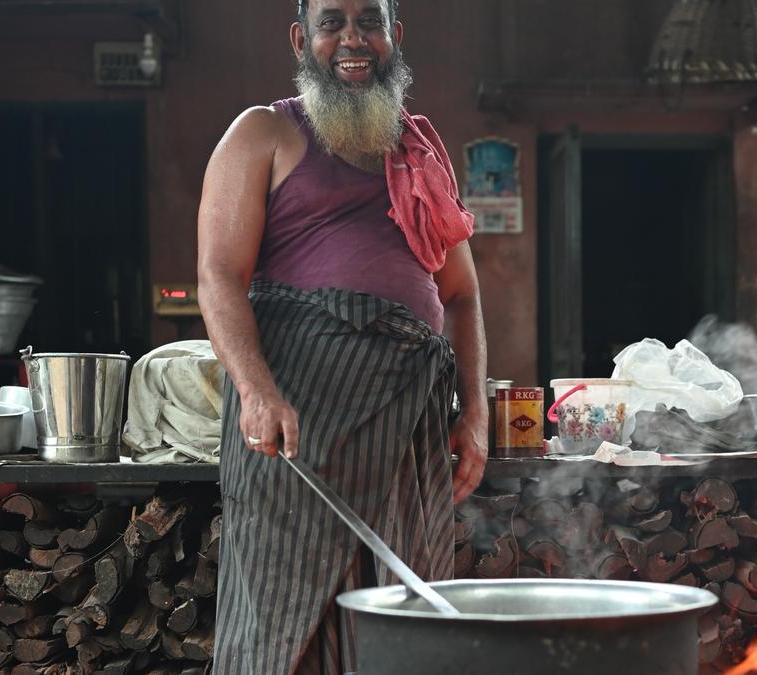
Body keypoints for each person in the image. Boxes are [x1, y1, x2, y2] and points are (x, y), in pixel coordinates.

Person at [197, 0, 488, 672]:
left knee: (402, 633)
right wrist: (256, 390)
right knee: (280, 633)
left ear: (395, 37)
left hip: (409, 438)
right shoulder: (263, 134)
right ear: (303, 38)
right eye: (333, 22)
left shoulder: (420, 151)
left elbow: (464, 295)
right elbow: (217, 276)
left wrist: (473, 415)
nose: (352, 39)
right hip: (299, 436)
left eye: (369, 21)